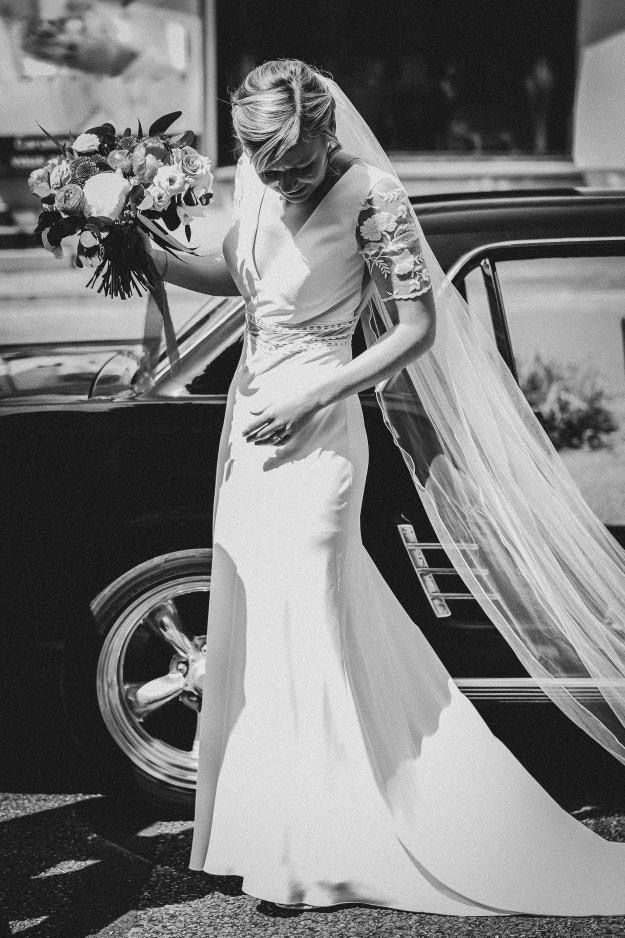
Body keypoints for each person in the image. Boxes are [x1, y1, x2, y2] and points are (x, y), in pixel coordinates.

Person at [147, 59, 625, 917]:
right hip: (247, 436)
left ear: (329, 131)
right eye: (260, 155)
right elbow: (242, 283)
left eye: (293, 158)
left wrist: (316, 392)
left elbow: (415, 328)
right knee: (257, 624)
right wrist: (135, 248)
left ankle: (317, 852)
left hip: (321, 431)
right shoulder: (253, 183)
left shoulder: (373, 196)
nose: (278, 175)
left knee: (308, 616)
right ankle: (265, 836)